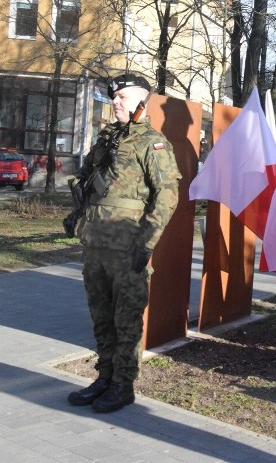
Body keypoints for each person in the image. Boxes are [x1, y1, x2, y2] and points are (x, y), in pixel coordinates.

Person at [66, 73, 181, 413]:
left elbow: (167, 196)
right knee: (101, 315)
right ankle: (104, 376)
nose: (115, 102)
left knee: (126, 319)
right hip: (96, 243)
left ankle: (122, 384)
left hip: (128, 247)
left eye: (122, 98)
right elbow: (87, 184)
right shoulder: (106, 139)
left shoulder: (153, 143)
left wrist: (145, 243)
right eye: (113, 98)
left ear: (141, 104)